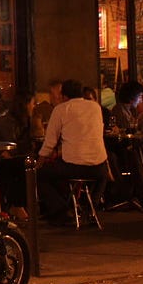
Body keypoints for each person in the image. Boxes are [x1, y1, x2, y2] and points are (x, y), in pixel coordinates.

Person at [36, 79, 108, 223]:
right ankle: (90, 207)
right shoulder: (95, 107)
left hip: (73, 167)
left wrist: (40, 161)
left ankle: (61, 210)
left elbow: (50, 142)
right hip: (99, 167)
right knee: (102, 176)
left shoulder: (61, 109)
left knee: (41, 175)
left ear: (64, 96)